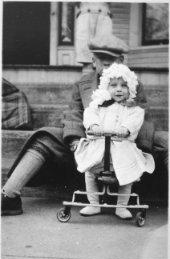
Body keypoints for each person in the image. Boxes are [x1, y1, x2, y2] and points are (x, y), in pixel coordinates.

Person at [1, 33, 168, 217]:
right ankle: (9, 196)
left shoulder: (132, 84)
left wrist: (133, 143)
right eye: (100, 60)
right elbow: (75, 113)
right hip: (92, 141)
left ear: (121, 61)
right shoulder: (83, 84)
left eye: (111, 61)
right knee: (44, 136)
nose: (105, 65)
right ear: (92, 61)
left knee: (166, 140)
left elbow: (141, 115)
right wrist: (74, 140)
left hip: (124, 141)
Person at [74, 63, 155, 218]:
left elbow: (134, 122)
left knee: (127, 176)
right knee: (89, 171)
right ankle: (93, 203)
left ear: (130, 89)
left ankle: (121, 206)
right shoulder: (97, 106)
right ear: (106, 88)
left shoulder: (134, 110)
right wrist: (94, 125)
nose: (119, 89)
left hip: (122, 149)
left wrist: (126, 129)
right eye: (113, 85)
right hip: (100, 149)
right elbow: (89, 115)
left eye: (124, 86)